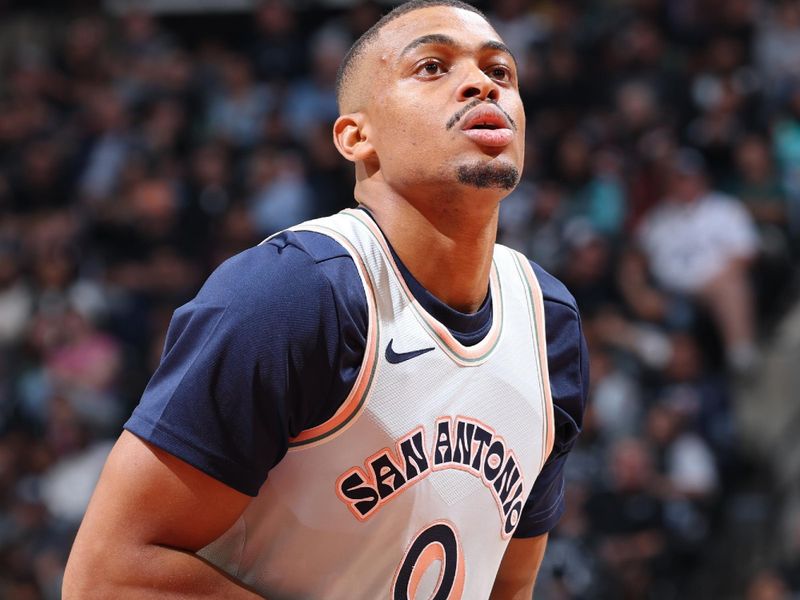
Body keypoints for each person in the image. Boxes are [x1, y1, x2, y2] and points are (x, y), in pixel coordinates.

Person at [62, 1, 587, 598]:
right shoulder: (294, 292)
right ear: (356, 137)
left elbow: (507, 586)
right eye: (433, 67)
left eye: (502, 72)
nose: (481, 83)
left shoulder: (549, 323)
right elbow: (108, 575)